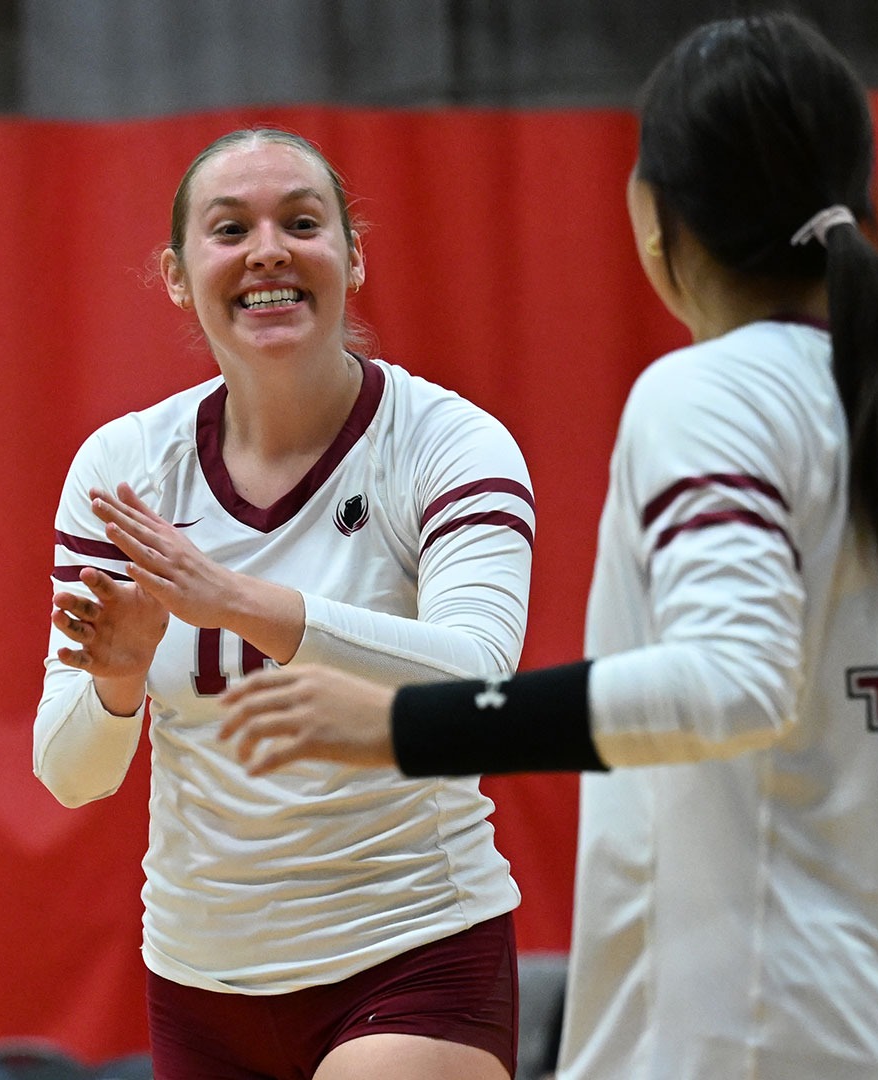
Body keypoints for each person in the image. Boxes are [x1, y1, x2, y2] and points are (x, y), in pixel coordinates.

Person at [218, 15, 878, 1079]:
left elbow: (734, 683)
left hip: (776, 1029)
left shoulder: (713, 389)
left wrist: (405, 723)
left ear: (660, 216)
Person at [33, 128, 539, 1080]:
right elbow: (71, 775)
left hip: (412, 953)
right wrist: (116, 681)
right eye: (231, 230)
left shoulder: (447, 444)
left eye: (301, 223)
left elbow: (477, 685)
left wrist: (239, 601)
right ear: (180, 277)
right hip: (199, 984)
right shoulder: (123, 470)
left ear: (353, 257)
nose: (268, 250)